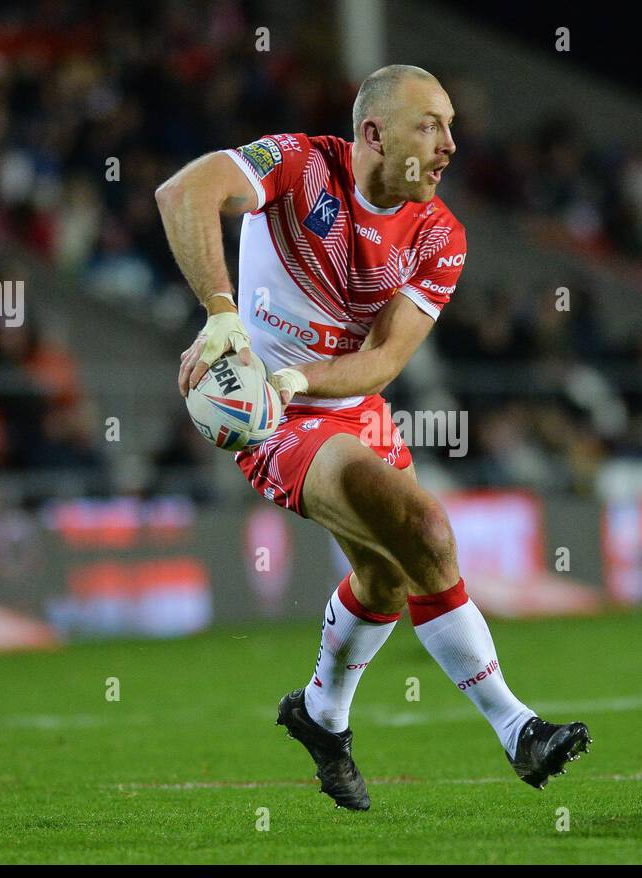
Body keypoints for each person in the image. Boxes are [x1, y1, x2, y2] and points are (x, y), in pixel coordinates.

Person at [155, 65, 590, 811]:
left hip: (344, 403)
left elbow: (387, 359)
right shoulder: (297, 166)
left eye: (451, 125)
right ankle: (518, 726)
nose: (451, 144)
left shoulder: (440, 235)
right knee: (423, 526)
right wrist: (221, 312)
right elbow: (182, 192)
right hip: (271, 418)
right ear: (373, 133)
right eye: (431, 126)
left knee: (385, 578)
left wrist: (304, 378)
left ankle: (322, 717)